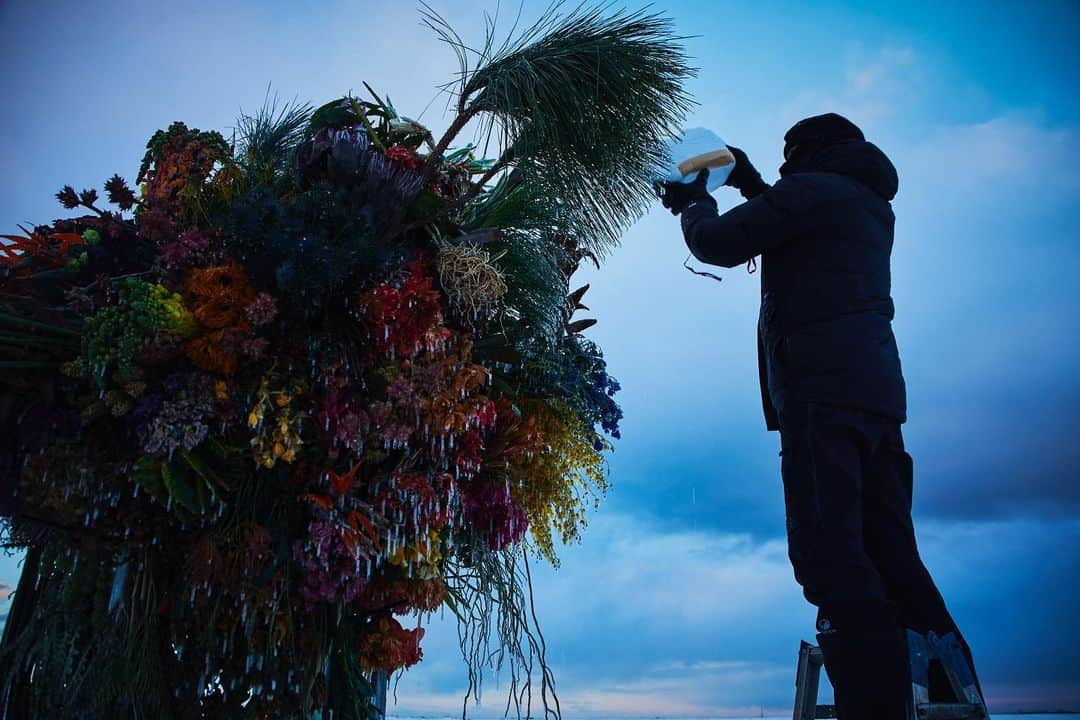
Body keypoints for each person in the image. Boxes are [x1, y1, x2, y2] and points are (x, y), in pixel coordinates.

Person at [658, 113, 982, 719]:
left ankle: (876, 704)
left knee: (829, 556)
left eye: (788, 162)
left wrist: (692, 203)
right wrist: (754, 187)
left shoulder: (810, 192)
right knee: (892, 552)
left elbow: (720, 245)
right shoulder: (867, 204)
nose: (783, 173)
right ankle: (949, 695)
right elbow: (796, 220)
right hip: (878, 399)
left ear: (807, 156)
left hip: (819, 396)